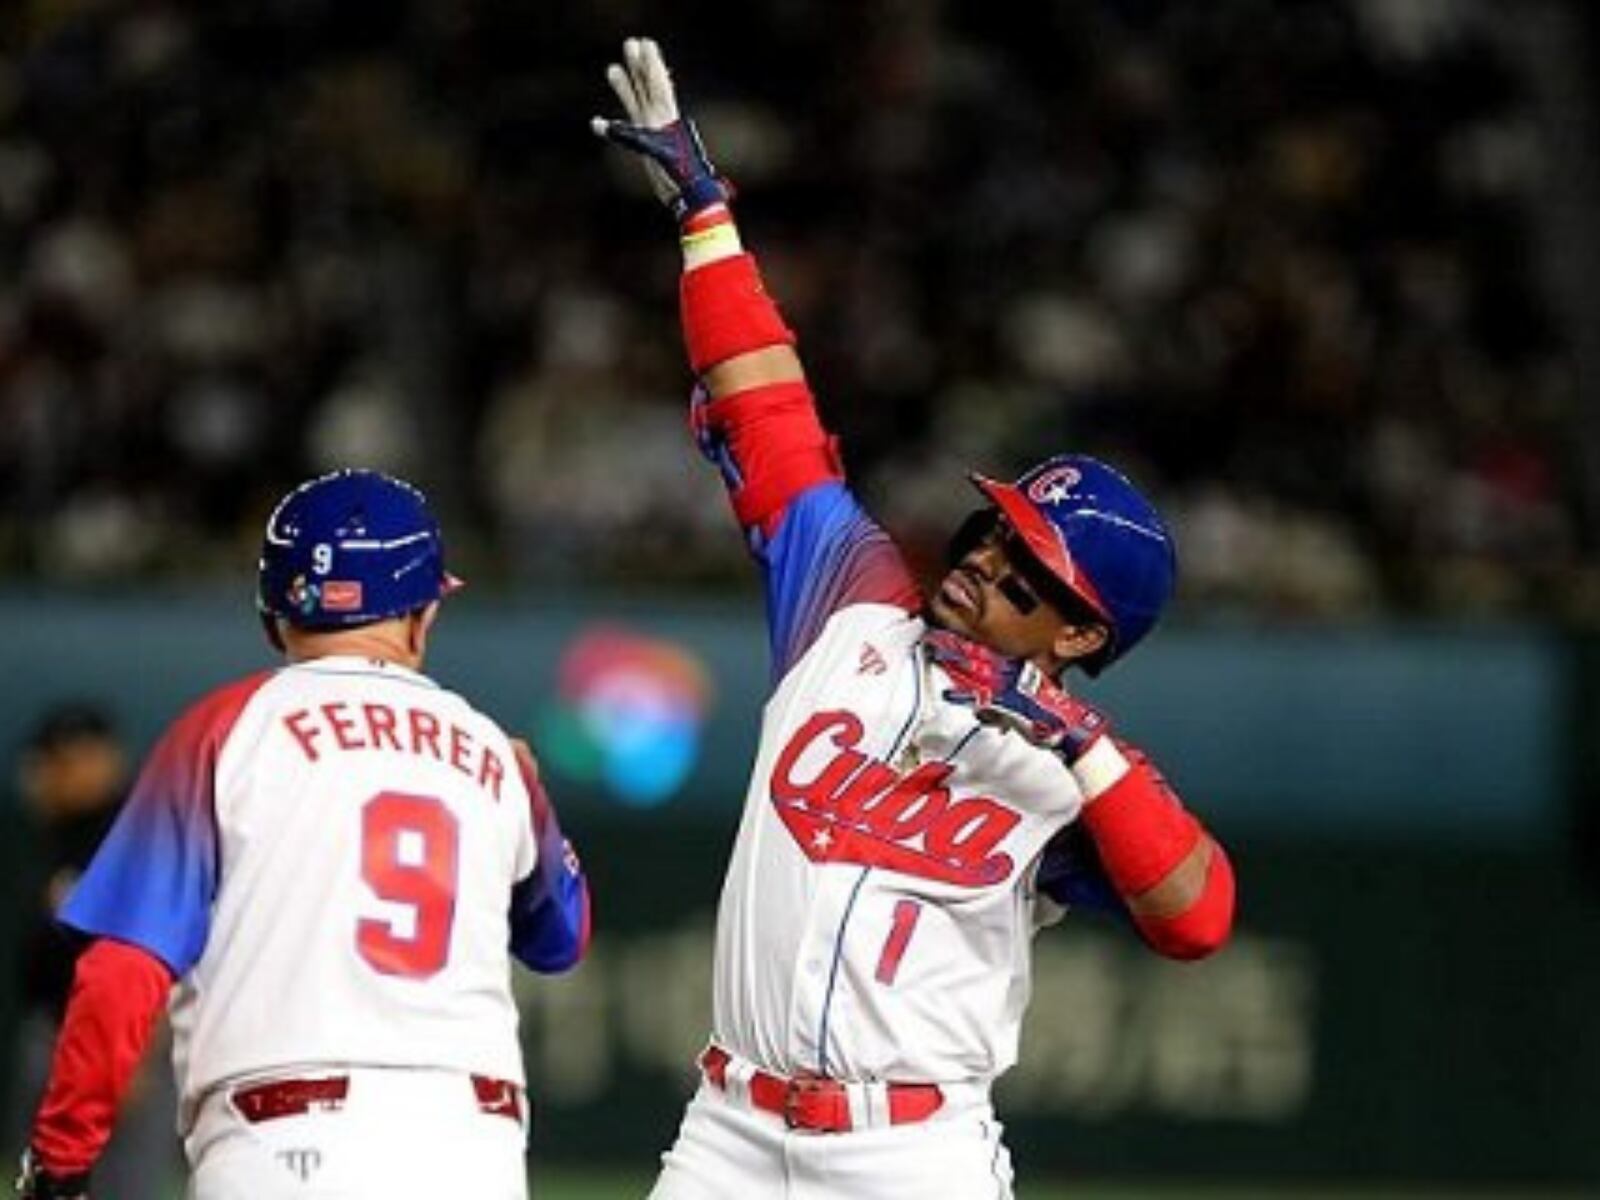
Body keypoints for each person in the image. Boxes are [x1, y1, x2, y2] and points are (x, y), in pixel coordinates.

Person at [593, 38, 1236, 1199]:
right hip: (728, 1130)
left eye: (1026, 575)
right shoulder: (855, 607)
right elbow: (772, 422)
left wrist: (1078, 749)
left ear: (1082, 635)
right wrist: (703, 220)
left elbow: (1198, 918)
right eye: (994, 536)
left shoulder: (1078, 776)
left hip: (909, 1153)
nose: (986, 564)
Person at [15, 469, 591, 1200]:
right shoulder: (493, 756)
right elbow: (561, 938)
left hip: (284, 1144)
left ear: (272, 616)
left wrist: (60, 1162)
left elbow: (121, 971)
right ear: (421, 615)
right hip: (474, 1150)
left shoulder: (221, 734)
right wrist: (533, 805)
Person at [8, 704, 180, 1199]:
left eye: (69, 759)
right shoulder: (60, 832)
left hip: (117, 1043)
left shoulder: (136, 831)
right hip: (56, 1033)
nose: (51, 774)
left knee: (125, 1186)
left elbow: (150, 951)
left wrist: (135, 1058)